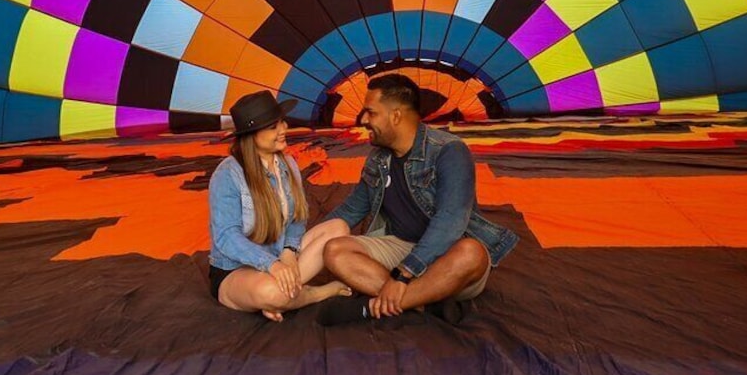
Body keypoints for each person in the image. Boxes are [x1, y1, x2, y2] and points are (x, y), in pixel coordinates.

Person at [315, 74, 519, 326]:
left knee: (472, 253)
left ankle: (369, 307)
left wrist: (403, 274)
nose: (364, 120)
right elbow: (350, 210)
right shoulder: (378, 159)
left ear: (396, 116)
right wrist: (301, 247)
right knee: (335, 250)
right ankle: (421, 302)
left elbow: (451, 222)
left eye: (371, 112)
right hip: (401, 246)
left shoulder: (449, 151)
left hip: (447, 254)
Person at [208, 90, 350, 322]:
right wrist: (271, 264)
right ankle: (313, 294)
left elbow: (297, 219)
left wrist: (288, 253)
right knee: (271, 292)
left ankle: (282, 298)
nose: (284, 129)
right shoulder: (227, 174)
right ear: (252, 135)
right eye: (273, 127)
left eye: (282, 122)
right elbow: (226, 236)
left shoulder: (288, 163)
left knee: (339, 229)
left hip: (278, 257)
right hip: (237, 270)